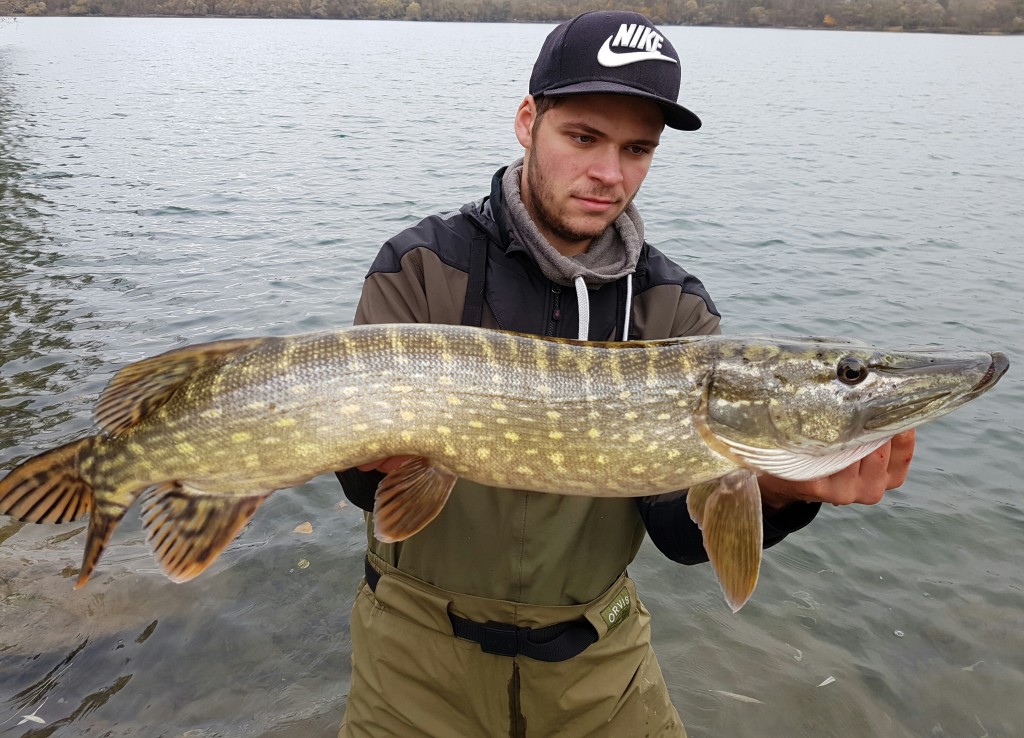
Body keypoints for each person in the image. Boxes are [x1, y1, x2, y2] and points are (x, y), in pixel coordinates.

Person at [335, 10, 916, 737]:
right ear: (527, 122)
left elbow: (677, 531)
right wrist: (380, 453)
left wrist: (778, 490)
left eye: (637, 149)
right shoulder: (422, 265)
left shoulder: (675, 307)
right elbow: (364, 485)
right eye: (584, 138)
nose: (610, 174)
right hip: (411, 659)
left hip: (595, 665)